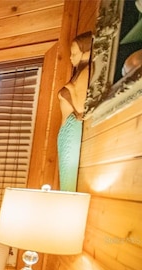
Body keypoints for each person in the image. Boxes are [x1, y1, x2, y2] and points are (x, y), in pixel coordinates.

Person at [57, 32, 92, 191]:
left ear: (87, 52)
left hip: (72, 126)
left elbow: (80, 110)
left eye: (74, 54)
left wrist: (69, 88)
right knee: (65, 176)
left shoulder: (85, 73)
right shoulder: (79, 73)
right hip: (66, 129)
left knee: (67, 180)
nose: (71, 58)